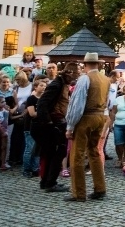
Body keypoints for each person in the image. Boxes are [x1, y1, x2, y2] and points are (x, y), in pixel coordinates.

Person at [64, 52, 111, 202]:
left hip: (86, 117)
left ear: (84, 65)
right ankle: (100, 188)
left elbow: (77, 104)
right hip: (100, 117)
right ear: (98, 64)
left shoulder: (85, 79)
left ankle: (79, 193)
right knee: (94, 151)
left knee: (77, 155)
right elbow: (107, 102)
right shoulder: (106, 79)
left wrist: (70, 125)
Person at [33, 63, 76, 193]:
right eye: (74, 74)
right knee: (57, 153)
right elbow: (42, 103)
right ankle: (50, 182)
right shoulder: (56, 85)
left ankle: (47, 181)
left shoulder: (62, 84)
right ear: (69, 74)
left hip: (57, 122)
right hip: (53, 124)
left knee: (52, 153)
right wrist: (49, 123)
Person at [22, 78, 48, 177]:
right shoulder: (31, 99)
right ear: (36, 87)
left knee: (37, 149)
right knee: (29, 148)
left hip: (41, 127)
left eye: (45, 86)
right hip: (30, 127)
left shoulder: (45, 99)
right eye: (41, 86)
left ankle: (35, 168)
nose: (43, 88)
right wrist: (44, 113)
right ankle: (26, 169)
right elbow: (32, 113)